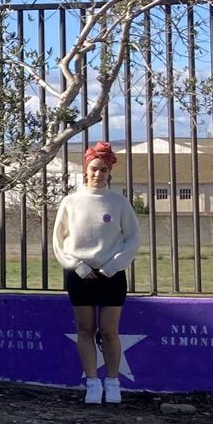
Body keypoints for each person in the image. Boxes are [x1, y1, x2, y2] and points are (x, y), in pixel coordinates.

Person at [51, 141, 141, 405]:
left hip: (111, 275)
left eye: (103, 170)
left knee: (109, 331)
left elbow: (133, 237)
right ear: (85, 170)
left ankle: (112, 381)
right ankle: (92, 382)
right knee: (85, 328)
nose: (97, 174)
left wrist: (115, 264)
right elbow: (59, 239)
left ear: (109, 171)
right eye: (93, 169)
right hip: (80, 274)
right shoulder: (71, 202)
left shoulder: (119, 202)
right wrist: (75, 265)